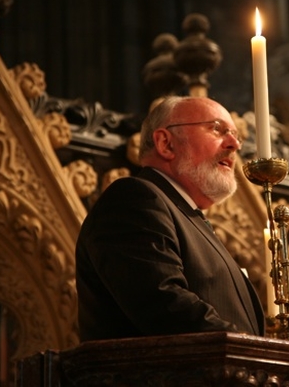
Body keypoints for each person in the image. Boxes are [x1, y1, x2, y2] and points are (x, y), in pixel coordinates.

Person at [76, 96, 266, 341]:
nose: (234, 145)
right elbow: (163, 302)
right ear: (166, 143)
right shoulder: (134, 199)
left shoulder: (187, 216)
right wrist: (251, 350)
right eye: (217, 129)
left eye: (236, 136)